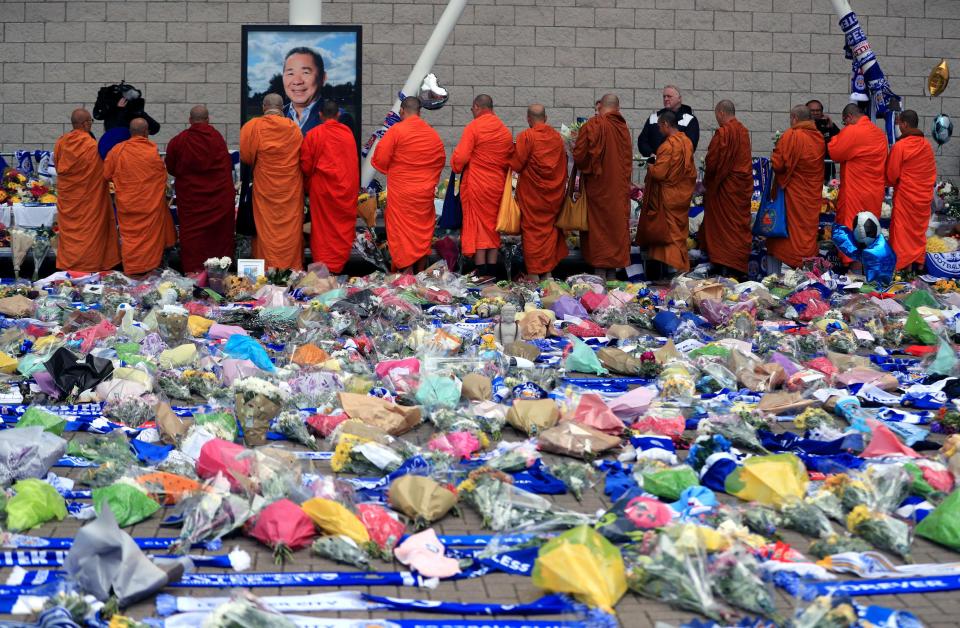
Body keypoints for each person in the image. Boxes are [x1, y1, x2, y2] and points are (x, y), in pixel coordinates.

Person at [371, 96, 446, 273]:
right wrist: (428, 180)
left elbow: (380, 160)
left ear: (402, 111)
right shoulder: (431, 133)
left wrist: (396, 170)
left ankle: (406, 272)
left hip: (402, 193)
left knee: (402, 233)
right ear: (420, 112)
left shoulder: (396, 131)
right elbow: (440, 160)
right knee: (421, 233)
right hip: (423, 194)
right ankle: (420, 272)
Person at [164, 105, 236, 274]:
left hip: (192, 200)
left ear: (190, 120)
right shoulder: (216, 138)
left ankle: (193, 274)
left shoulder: (179, 140)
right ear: (208, 120)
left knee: (193, 239)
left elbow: (171, 167)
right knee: (218, 237)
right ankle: (220, 274)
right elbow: (225, 166)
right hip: (218, 200)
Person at [103, 118, 176, 277]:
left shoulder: (117, 150)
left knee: (130, 239)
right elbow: (161, 177)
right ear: (146, 132)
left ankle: (132, 274)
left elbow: (106, 173)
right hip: (149, 206)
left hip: (128, 205)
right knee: (150, 240)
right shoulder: (152, 151)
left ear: (130, 132)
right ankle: (149, 272)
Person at [239, 93, 305, 270]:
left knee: (265, 230)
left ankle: (266, 270)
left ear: (263, 107)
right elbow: (301, 157)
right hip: (290, 191)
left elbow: (246, 156)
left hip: (265, 189)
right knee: (289, 231)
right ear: (282, 108)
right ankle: (291, 270)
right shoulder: (293, 128)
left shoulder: (252, 126)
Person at [451, 94, 514, 278]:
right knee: (493, 227)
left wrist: (456, 163)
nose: (472, 112)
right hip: (497, 185)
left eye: (472, 109)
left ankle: (481, 272)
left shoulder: (474, 127)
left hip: (478, 184)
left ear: (477, 107)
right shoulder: (503, 130)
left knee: (479, 226)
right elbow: (509, 158)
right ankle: (493, 272)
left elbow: (460, 158)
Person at [573, 93, 633, 280]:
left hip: (598, 190)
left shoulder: (594, 125)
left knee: (599, 231)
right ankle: (612, 276)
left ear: (600, 106)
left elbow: (581, 157)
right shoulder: (623, 128)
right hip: (618, 189)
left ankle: (599, 276)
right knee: (614, 229)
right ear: (617, 108)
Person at [53, 108, 121, 273]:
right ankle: (91, 266)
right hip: (91, 200)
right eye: (91, 121)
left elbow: (57, 166)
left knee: (71, 235)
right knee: (91, 233)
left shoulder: (61, 143)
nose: (91, 124)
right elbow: (104, 172)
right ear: (85, 123)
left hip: (70, 201)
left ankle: (71, 265)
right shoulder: (92, 146)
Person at [508, 104, 568, 282]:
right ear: (546, 118)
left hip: (533, 196)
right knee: (549, 231)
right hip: (553, 195)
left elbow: (517, 165)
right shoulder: (557, 138)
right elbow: (563, 166)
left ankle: (534, 274)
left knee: (532, 233)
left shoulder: (526, 137)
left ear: (528, 119)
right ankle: (548, 273)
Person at [300, 100, 359, 275]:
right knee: (340, 229)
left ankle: (324, 271)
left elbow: (305, 166)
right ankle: (337, 268)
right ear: (338, 115)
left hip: (323, 191)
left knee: (322, 231)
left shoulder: (313, 134)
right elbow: (352, 163)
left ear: (320, 115)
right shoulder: (347, 134)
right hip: (345, 190)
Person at [765, 105, 826, 273]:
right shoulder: (819, 137)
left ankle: (774, 277)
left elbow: (779, 164)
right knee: (806, 234)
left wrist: (775, 151)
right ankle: (806, 275)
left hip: (793, 195)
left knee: (781, 239)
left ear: (794, 118)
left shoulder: (792, 136)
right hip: (810, 196)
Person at [638, 110, 697, 278]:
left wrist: (651, 166)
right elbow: (691, 172)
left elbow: (659, 174)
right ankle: (677, 268)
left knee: (668, 233)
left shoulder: (667, 146)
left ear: (665, 124)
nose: (658, 130)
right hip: (682, 195)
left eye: (659, 126)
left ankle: (674, 267)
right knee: (678, 234)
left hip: (667, 197)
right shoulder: (687, 142)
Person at [701, 100, 753, 279]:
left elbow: (713, 162)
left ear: (721, 113)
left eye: (716, 115)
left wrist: (709, 181)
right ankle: (736, 267)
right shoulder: (743, 132)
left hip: (725, 187)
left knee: (722, 227)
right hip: (739, 188)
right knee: (736, 227)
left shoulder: (724, 133)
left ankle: (724, 265)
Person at [886, 109, 937, 271]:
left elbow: (892, 175)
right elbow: (931, 173)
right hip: (923, 198)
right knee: (918, 232)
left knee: (902, 232)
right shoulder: (927, 146)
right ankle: (919, 264)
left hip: (906, 197)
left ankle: (903, 266)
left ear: (905, 124)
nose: (899, 126)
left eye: (899, 123)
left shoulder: (900, 146)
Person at [828, 103, 888, 229]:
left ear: (849, 117)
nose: (845, 126)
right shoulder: (880, 134)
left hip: (856, 192)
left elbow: (835, 153)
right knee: (870, 228)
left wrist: (834, 138)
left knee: (853, 228)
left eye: (845, 122)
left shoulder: (853, 130)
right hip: (874, 192)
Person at [281, 47, 355, 137]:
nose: (297, 81)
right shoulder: (277, 116)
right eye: (290, 73)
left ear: (323, 77)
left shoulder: (340, 119)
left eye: (305, 72)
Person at [637, 85, 700, 157]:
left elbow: (690, 145)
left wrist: (669, 158)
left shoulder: (689, 120)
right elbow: (642, 141)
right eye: (664, 96)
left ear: (679, 98)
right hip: (655, 164)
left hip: (677, 165)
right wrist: (650, 154)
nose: (666, 99)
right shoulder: (654, 118)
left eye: (669, 96)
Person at [806, 99, 840, 182]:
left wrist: (832, 127)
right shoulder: (803, 125)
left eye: (818, 110)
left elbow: (841, 139)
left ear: (822, 112)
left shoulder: (827, 125)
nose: (815, 113)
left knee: (827, 193)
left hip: (827, 168)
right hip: (809, 169)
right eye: (812, 111)